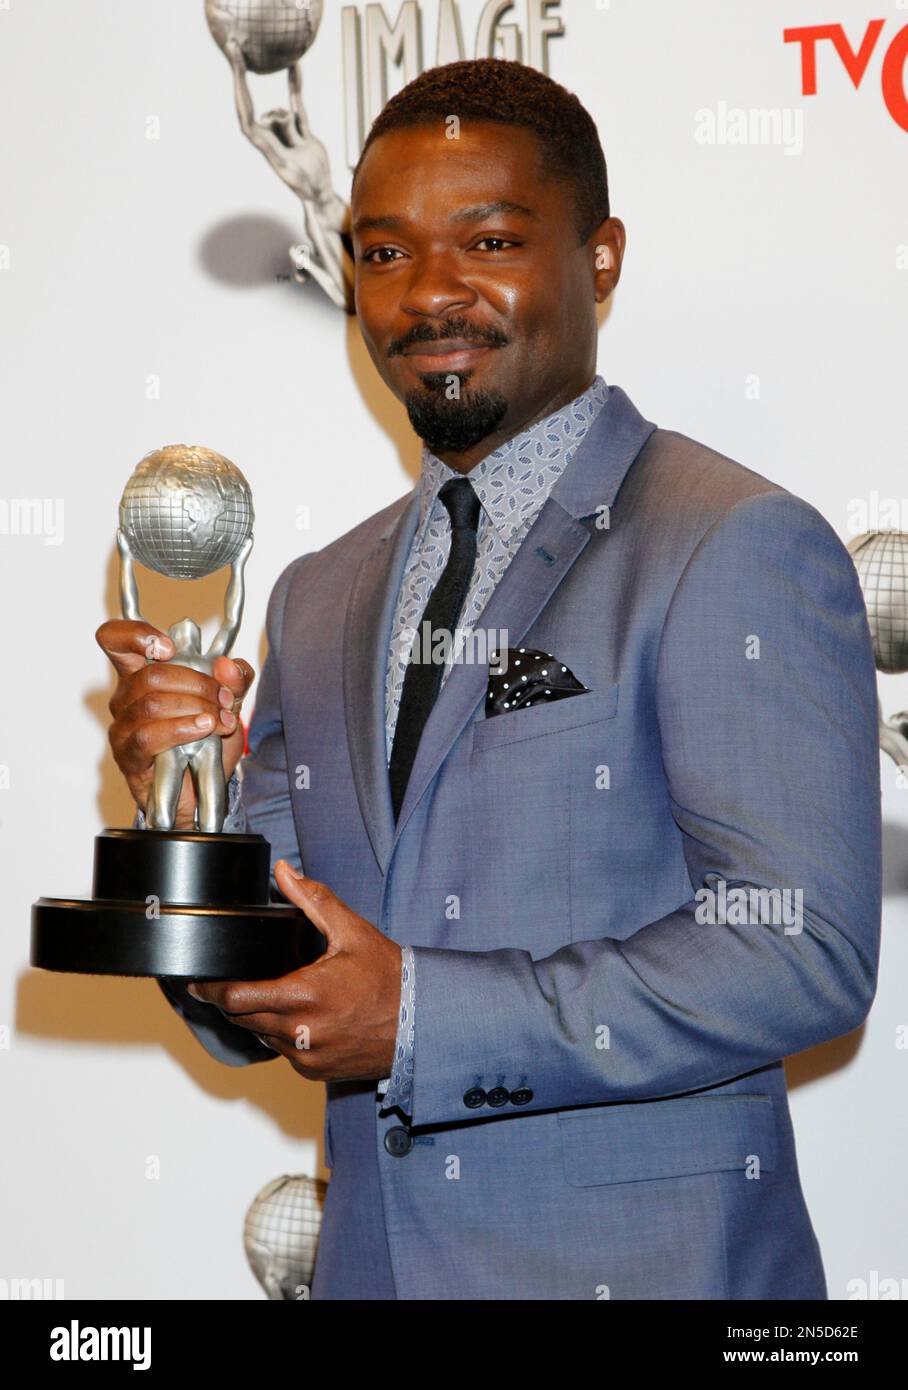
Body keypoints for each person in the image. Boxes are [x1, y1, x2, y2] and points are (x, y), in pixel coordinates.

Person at [96, 58, 882, 1301]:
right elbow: (277, 968)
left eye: (490, 240)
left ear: (602, 256)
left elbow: (799, 949)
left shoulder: (727, 540)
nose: (430, 294)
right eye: (384, 253)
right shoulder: (319, 590)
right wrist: (180, 802)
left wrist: (419, 1019)